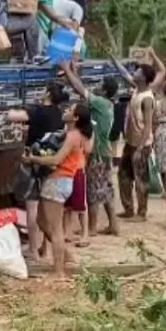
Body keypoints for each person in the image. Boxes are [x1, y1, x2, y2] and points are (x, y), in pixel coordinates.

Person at [24, 101, 92, 276]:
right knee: (42, 221)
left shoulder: (73, 136)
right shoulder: (75, 134)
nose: (66, 111)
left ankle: (59, 271)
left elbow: (56, 160)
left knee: (55, 228)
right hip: (61, 181)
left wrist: (33, 159)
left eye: (70, 110)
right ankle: (66, 257)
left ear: (75, 117)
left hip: (58, 181)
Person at [8, 82, 67, 259]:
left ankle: (33, 249)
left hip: (32, 162)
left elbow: (12, 116)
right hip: (50, 163)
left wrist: (11, 107)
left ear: (48, 93)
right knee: (46, 208)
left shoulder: (37, 111)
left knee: (32, 207)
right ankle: (45, 248)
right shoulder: (60, 114)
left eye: (43, 90)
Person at [60, 61, 119, 236]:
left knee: (93, 188)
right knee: (106, 188)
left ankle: (91, 228)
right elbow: (81, 87)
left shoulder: (99, 102)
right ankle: (113, 225)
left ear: (105, 90)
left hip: (98, 152)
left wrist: (67, 69)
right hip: (106, 151)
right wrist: (73, 72)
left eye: (100, 85)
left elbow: (80, 88)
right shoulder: (107, 104)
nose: (97, 86)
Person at [115, 50, 166, 221]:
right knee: (124, 175)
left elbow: (148, 126)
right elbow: (123, 73)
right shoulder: (138, 89)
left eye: (137, 71)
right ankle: (129, 209)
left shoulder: (147, 98)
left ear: (144, 77)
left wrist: (140, 147)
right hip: (131, 141)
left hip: (140, 144)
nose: (134, 72)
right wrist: (113, 60)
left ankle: (141, 213)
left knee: (140, 179)